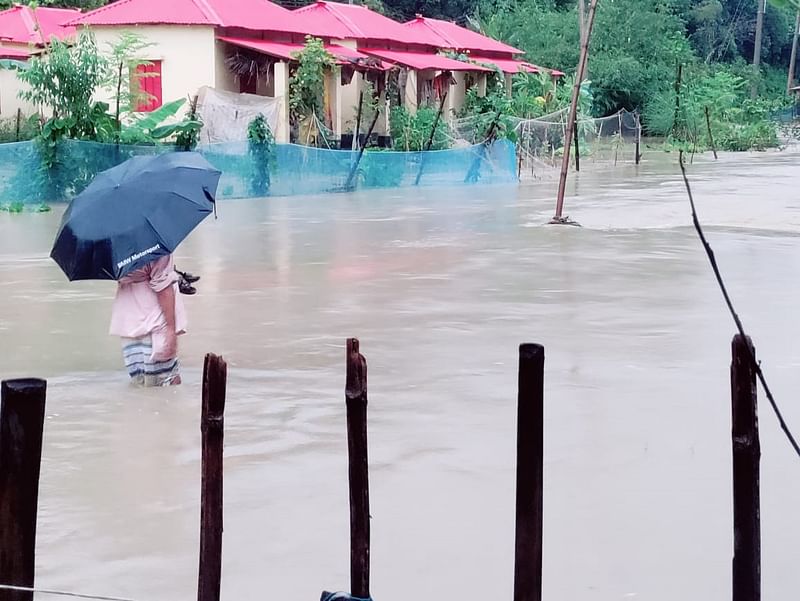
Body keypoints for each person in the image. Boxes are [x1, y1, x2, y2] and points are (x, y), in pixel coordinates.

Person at [109, 254, 187, 386]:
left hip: (128, 320)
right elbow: (162, 285)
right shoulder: (155, 249)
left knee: (140, 383)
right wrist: (170, 330)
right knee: (167, 381)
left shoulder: (113, 248)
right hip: (155, 319)